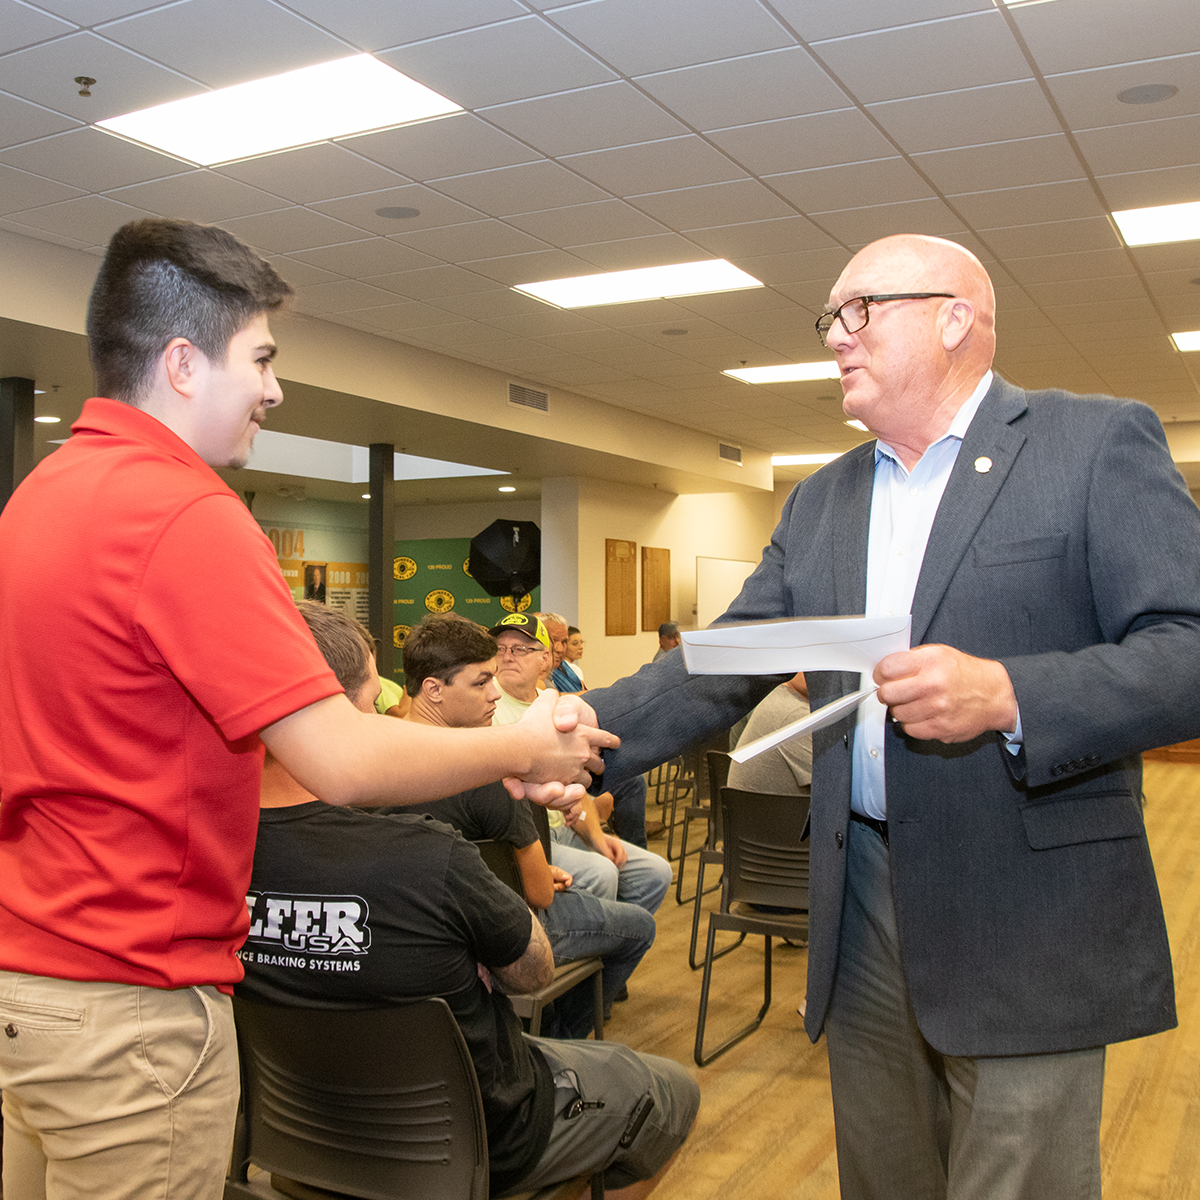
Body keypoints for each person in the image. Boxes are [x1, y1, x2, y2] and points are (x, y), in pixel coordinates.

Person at [0, 218, 616, 1197]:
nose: (275, 388)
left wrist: (488, 762)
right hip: (132, 1006)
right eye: (261, 358)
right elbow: (342, 760)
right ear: (183, 364)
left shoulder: (39, 498)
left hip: (30, 987)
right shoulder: (187, 513)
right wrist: (524, 744)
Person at [582, 233, 1200, 1200]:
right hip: (861, 887)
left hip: (1026, 901)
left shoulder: (1093, 443)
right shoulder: (823, 499)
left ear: (956, 318)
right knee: (884, 1175)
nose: (837, 336)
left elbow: (1187, 647)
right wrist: (577, 733)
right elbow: (728, 660)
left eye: (860, 310)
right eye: (831, 318)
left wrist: (1010, 694)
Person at [240, 602, 699, 1199]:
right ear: (338, 717)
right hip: (477, 1139)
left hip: (302, 1139)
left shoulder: (210, 857)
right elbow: (534, 972)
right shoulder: (429, 854)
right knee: (673, 1094)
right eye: (373, 703)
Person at [394, 613, 657, 1035]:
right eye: (481, 682)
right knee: (640, 927)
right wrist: (532, 874)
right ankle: (558, 1040)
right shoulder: (491, 771)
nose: (494, 694)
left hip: (417, 936)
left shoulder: (375, 764)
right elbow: (538, 895)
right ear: (434, 690)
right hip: (500, 930)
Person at [491, 614, 671, 916]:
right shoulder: (487, 704)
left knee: (655, 874)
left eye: (520, 649)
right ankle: (588, 938)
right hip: (526, 840)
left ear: (544, 659)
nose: (508, 656)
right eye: (500, 648)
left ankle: (614, 940)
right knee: (602, 873)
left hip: (566, 831)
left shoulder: (556, 707)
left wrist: (597, 836)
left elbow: (578, 790)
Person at [727, 673, 812, 795]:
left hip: (754, 806)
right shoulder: (794, 715)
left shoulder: (775, 697)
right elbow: (834, 784)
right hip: (772, 807)